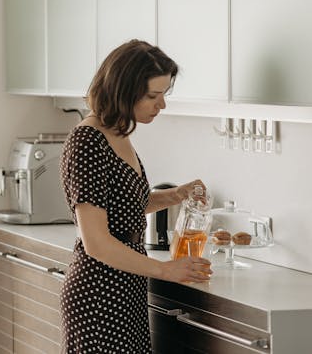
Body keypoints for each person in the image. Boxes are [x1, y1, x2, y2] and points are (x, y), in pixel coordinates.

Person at [59, 39, 212, 354]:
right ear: (123, 91)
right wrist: (166, 270)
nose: (161, 105)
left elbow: (124, 206)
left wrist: (175, 195)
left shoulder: (117, 133)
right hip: (100, 294)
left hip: (125, 287)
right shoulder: (88, 141)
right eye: (152, 96)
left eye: (164, 95)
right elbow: (96, 242)